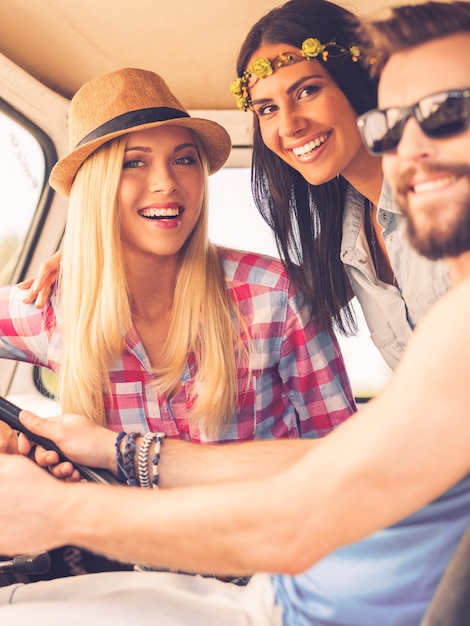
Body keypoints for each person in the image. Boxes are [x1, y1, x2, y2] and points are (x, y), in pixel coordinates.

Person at [1, 1, 470, 625]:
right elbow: (345, 465)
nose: (408, 151)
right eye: (391, 124)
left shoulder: (278, 293)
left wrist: (64, 505)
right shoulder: (358, 241)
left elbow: (313, 500)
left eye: (447, 113)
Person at [0, 67, 355, 585]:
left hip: (277, 574)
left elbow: (349, 460)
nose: (167, 182)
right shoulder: (50, 308)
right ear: (96, 189)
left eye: (183, 160)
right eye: (133, 163)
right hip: (133, 583)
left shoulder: (273, 294)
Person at [230, 0, 451, 371]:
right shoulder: (346, 240)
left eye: (307, 91)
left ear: (359, 79)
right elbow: (264, 322)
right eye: (267, 108)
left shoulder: (448, 191)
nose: (289, 126)